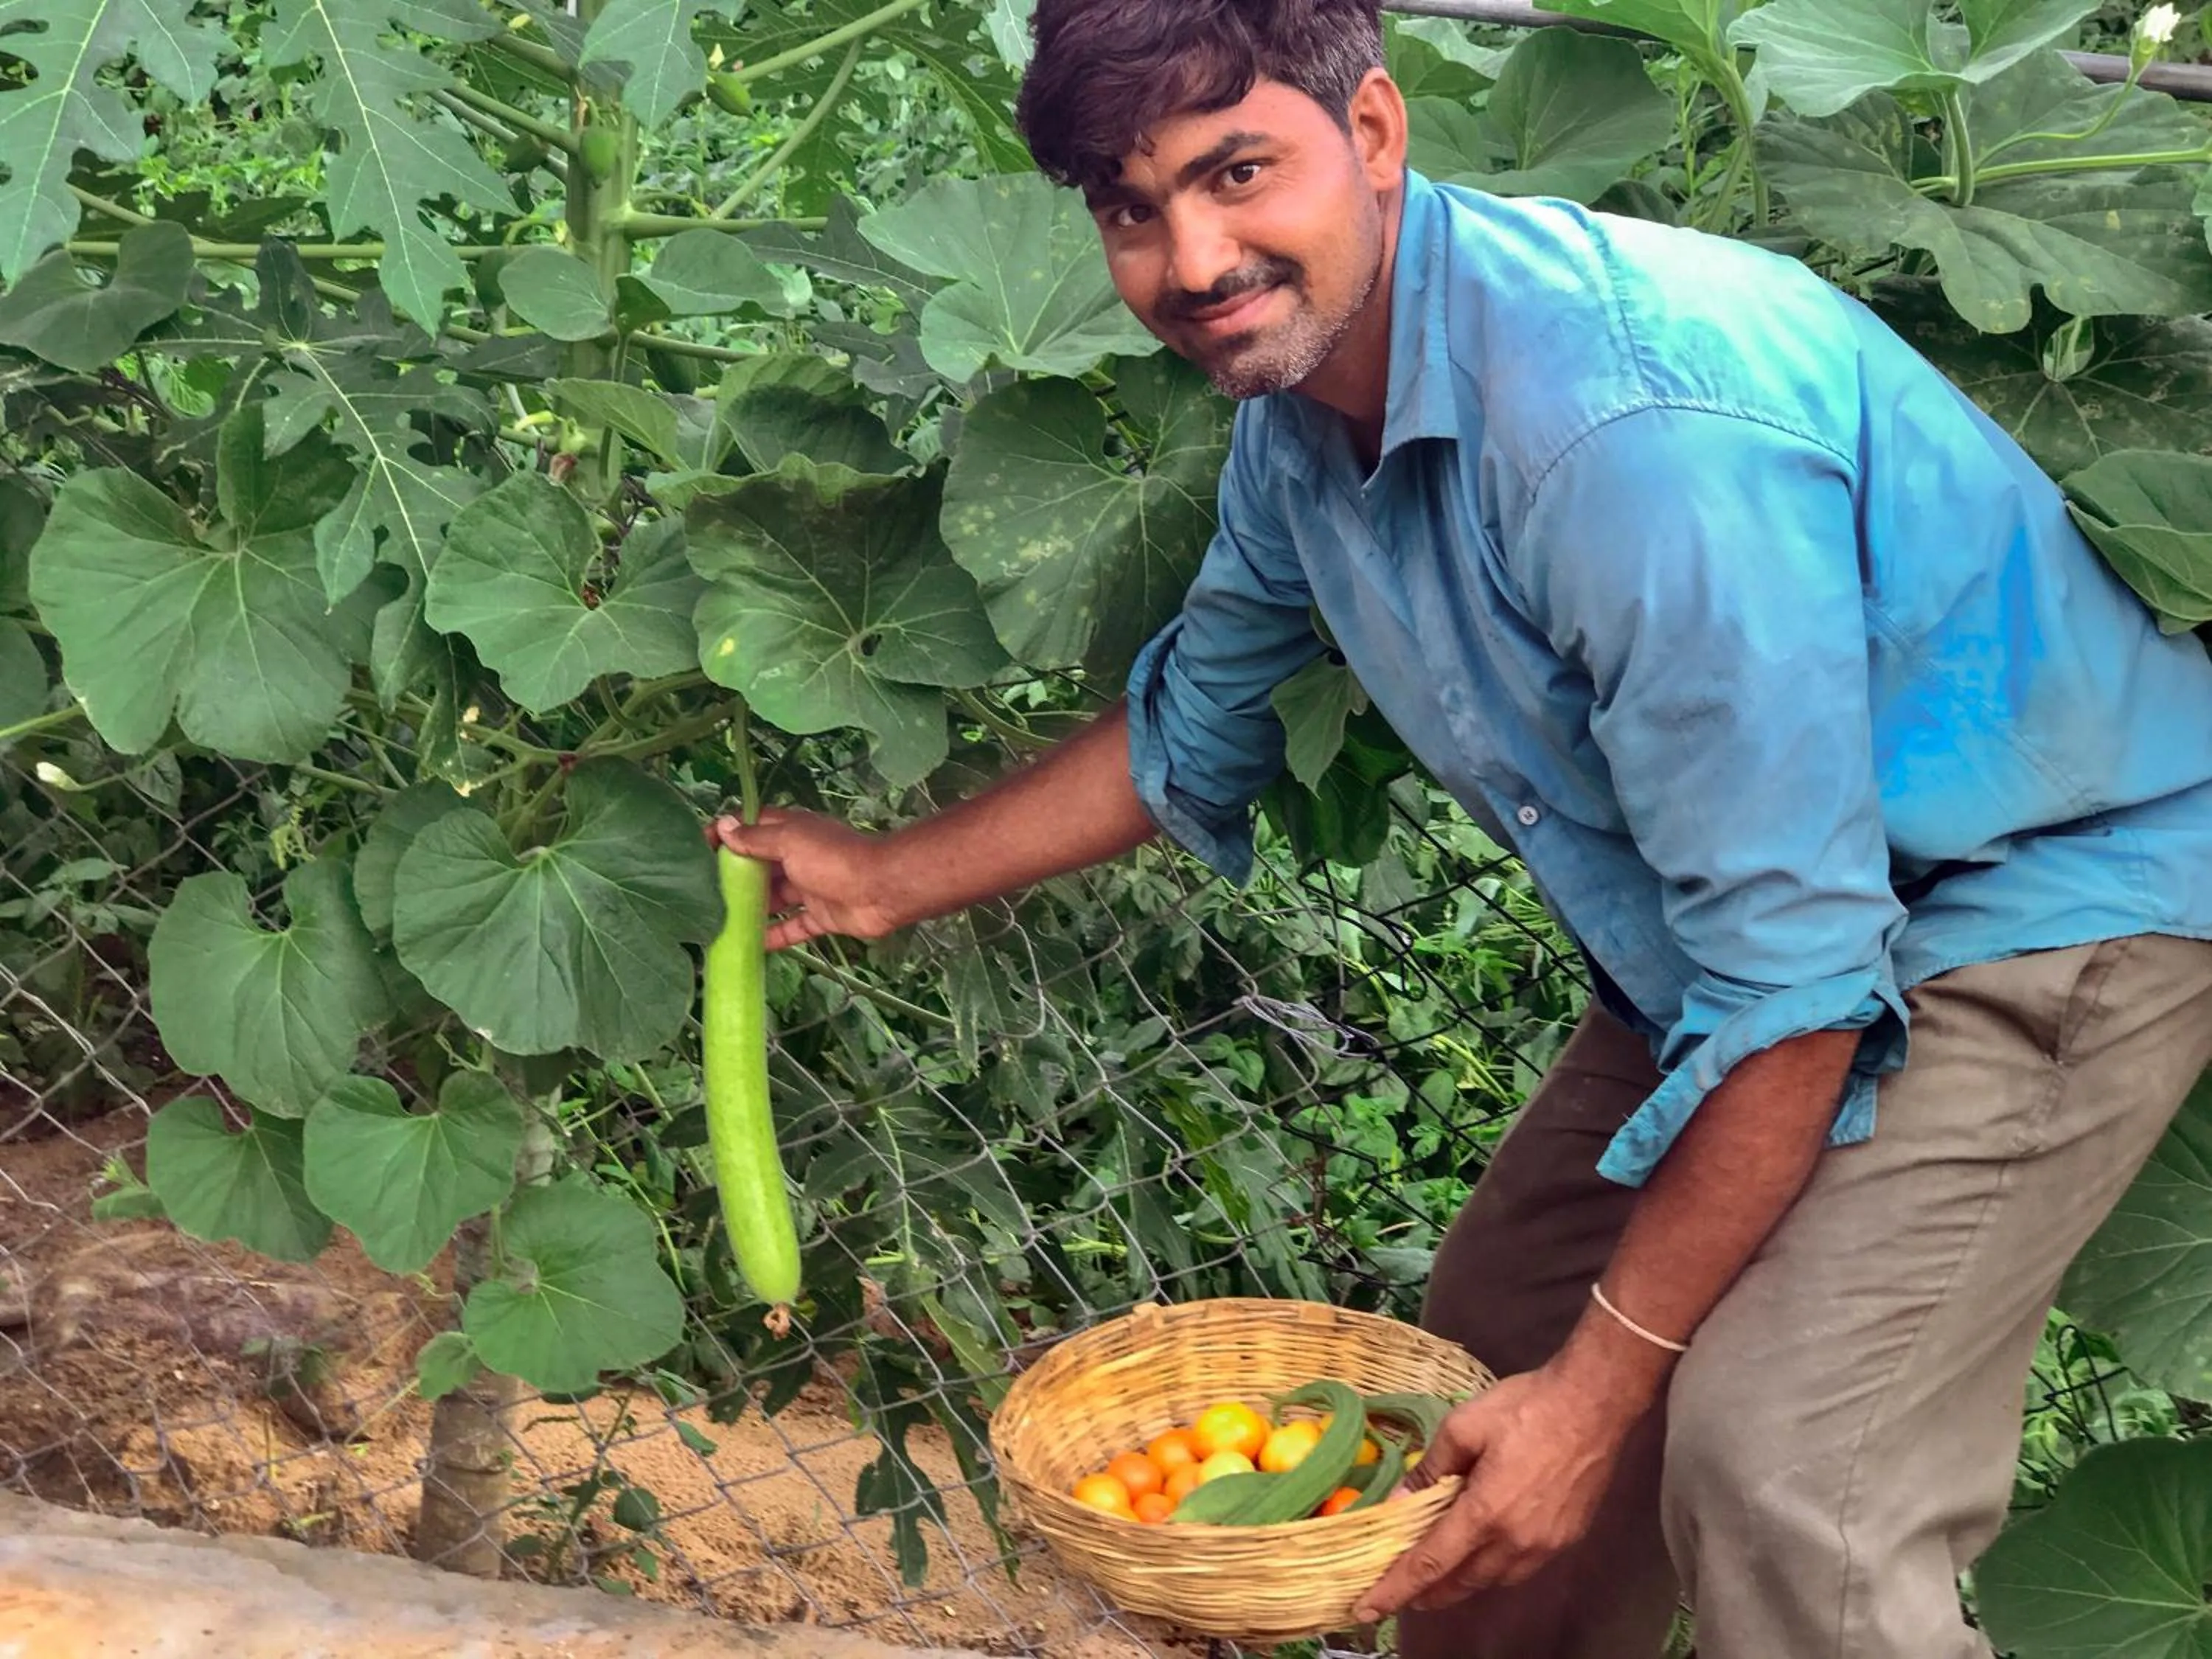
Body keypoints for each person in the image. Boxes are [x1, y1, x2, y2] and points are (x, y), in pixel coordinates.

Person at [707, 1, 2212, 1653]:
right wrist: (880, 881)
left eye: (1237, 173)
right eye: (1133, 211)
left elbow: (1800, 997)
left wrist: (1599, 1398)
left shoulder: (1632, 440)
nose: (1194, 261)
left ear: (1371, 133)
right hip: (1747, 935)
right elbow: (1189, 725)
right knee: (1503, 1344)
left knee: (1792, 1468)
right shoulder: (1308, 410)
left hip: (2045, 904)